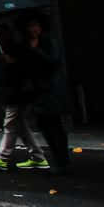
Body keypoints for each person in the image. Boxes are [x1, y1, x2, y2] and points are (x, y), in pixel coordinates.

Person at [0, 19, 50, 171]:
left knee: (10, 123)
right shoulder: (15, 47)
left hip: (18, 92)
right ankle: (38, 157)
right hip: (17, 91)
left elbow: (24, 69)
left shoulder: (19, 47)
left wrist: (11, 63)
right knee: (20, 126)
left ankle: (2, 157)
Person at [25, 16, 73, 173]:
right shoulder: (31, 43)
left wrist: (35, 50)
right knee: (46, 126)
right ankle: (59, 160)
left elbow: (53, 61)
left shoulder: (47, 42)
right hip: (40, 91)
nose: (33, 29)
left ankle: (63, 161)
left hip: (51, 90)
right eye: (31, 26)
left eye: (35, 25)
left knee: (54, 126)